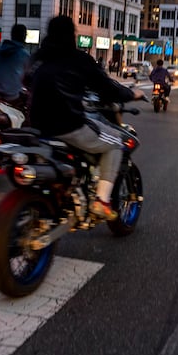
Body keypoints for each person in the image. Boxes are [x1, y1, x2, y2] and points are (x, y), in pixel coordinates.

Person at [29, 15, 145, 221]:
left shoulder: (38, 59)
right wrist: (132, 94)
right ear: (71, 35)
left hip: (38, 127)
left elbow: (28, 82)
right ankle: (101, 200)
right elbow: (108, 88)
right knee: (117, 142)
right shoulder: (79, 60)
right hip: (68, 126)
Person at [0, 23, 30, 107]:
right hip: (10, 94)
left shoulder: (0, 50)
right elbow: (29, 76)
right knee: (27, 106)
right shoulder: (23, 54)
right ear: (24, 36)